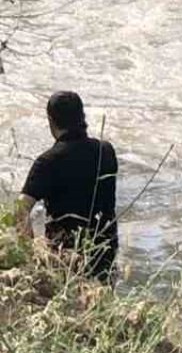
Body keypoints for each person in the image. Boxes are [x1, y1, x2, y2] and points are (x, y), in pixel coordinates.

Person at [15, 91, 118, 281]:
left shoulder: (47, 162)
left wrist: (30, 251)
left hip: (64, 258)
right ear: (82, 117)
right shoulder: (106, 151)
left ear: (51, 121)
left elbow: (21, 209)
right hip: (104, 253)